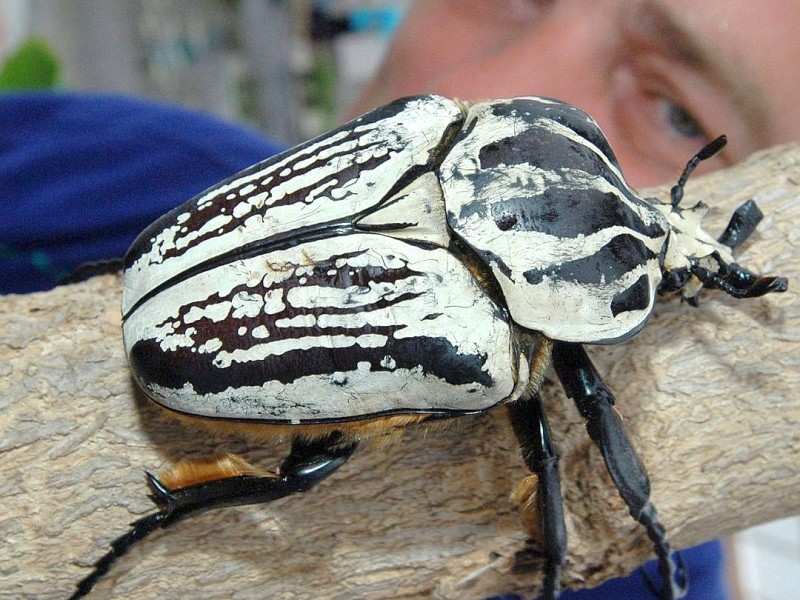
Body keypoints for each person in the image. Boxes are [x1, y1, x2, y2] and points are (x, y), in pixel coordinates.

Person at [1, 1, 796, 598]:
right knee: (310, 475)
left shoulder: (422, 125)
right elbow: (568, 438)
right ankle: (160, 517)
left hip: (169, 277)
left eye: (679, 110)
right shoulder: (110, 155)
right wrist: (634, 522)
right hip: (173, 313)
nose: (463, 82)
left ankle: (157, 517)